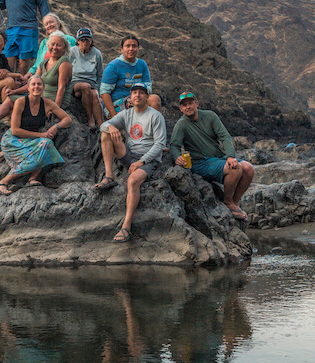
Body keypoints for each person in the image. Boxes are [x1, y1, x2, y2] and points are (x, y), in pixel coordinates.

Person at [96, 83, 167, 242]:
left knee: (132, 181)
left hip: (149, 159)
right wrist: (111, 127)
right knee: (105, 133)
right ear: (130, 97)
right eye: (134, 93)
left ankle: (126, 227)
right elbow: (103, 125)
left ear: (147, 97)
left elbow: (160, 144)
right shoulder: (127, 114)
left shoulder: (155, 116)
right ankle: (109, 176)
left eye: (141, 93)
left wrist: (141, 162)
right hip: (130, 154)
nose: (137, 95)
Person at [169, 91, 254, 220]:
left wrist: (230, 155)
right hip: (200, 163)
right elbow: (174, 145)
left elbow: (225, 136)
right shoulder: (181, 125)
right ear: (180, 108)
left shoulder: (210, 116)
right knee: (235, 169)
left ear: (196, 103)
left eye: (190, 103)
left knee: (248, 168)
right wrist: (177, 157)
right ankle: (228, 202)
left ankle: (234, 203)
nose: (188, 107)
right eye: (184, 105)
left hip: (219, 158)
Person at [0, 75, 72, 194]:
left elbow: (67, 119)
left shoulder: (47, 103)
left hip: (31, 140)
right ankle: (5, 180)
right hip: (13, 140)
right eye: (33, 84)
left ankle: (32, 178)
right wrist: (40, 135)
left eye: (39, 84)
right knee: (44, 145)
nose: (36, 86)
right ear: (28, 88)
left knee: (46, 144)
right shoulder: (20, 102)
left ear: (43, 87)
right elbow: (15, 130)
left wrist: (55, 127)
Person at [100, 34, 161, 118]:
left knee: (154, 100)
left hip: (137, 99)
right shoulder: (114, 66)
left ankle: (152, 128)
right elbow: (104, 93)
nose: (131, 49)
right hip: (117, 104)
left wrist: (136, 96)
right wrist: (114, 116)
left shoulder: (142, 64)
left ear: (138, 49)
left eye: (134, 46)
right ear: (122, 49)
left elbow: (148, 86)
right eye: (127, 46)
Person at [69, 27, 104, 127]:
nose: (85, 42)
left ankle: (101, 126)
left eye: (87, 39)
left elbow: (100, 74)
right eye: (82, 39)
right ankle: (90, 119)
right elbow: (66, 68)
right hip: (75, 81)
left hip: (91, 82)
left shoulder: (97, 53)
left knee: (94, 95)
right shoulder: (72, 52)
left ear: (91, 40)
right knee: (86, 87)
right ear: (77, 41)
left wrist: (99, 93)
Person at [36, 31, 73, 109]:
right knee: (11, 99)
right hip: (41, 98)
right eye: (52, 44)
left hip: (53, 100)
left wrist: (55, 108)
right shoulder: (44, 62)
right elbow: (33, 81)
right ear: (48, 45)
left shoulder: (64, 62)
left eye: (58, 45)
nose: (54, 48)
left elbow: (62, 87)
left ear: (64, 48)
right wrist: (15, 91)